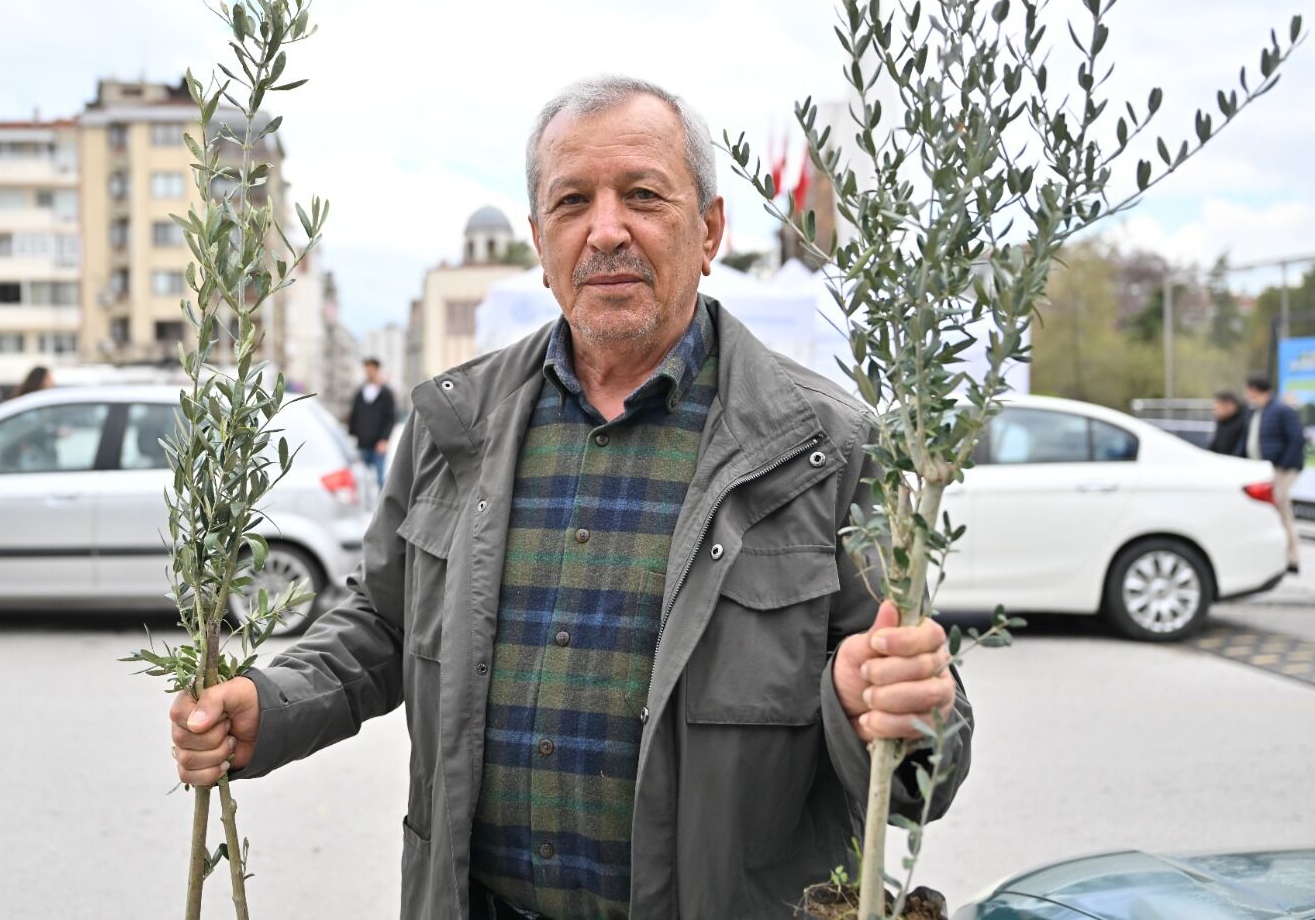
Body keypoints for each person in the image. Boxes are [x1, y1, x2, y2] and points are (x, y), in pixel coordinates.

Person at [170, 76, 971, 919]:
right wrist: (272, 705)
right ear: (539, 240)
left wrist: (890, 708)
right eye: (573, 202)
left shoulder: (826, 449)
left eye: (643, 196)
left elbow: (923, 757)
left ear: (709, 230)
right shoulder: (455, 424)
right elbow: (384, 622)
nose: (607, 230)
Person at [1243, 374, 1306, 574]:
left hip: (1280, 471)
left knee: (1281, 509)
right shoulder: (1257, 412)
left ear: (1254, 389)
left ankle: (1292, 557)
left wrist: (1282, 466)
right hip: (1262, 470)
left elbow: (1297, 439)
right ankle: (1278, 556)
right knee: (1273, 511)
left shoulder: (1281, 410)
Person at [347, 357, 397, 486]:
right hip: (362, 443)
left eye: (371, 369)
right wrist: (352, 435)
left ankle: (381, 500)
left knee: (379, 479)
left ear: (377, 370)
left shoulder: (385, 393)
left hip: (378, 444)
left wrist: (384, 440)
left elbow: (390, 418)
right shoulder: (360, 392)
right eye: (366, 369)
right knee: (363, 480)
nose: (368, 372)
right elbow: (354, 415)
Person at [1210, 390, 1249, 454]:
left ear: (1229, 405)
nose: (1215, 411)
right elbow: (1215, 444)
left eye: (1218, 408)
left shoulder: (1245, 420)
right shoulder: (1221, 420)